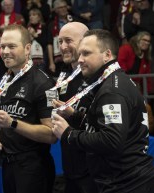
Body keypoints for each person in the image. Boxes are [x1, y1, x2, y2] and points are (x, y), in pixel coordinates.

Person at [52, 29, 154, 193]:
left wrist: (68, 134)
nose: (80, 60)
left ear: (107, 55)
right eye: (79, 54)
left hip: (126, 183)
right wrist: (76, 116)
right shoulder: (115, 80)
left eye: (86, 53)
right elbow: (112, 125)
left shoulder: (111, 90)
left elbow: (112, 140)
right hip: (129, 180)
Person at [0, 24, 57, 193]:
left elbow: (52, 135)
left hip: (34, 168)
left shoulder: (43, 83)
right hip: (8, 165)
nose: (5, 51)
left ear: (27, 49)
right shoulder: (4, 80)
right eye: (2, 46)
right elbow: (6, 126)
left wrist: (12, 123)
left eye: (11, 46)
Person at [53, 22, 98, 193]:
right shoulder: (63, 76)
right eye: (60, 41)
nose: (63, 47)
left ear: (85, 41)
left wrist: (73, 116)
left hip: (95, 173)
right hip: (70, 169)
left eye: (68, 41)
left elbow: (105, 130)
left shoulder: (99, 78)